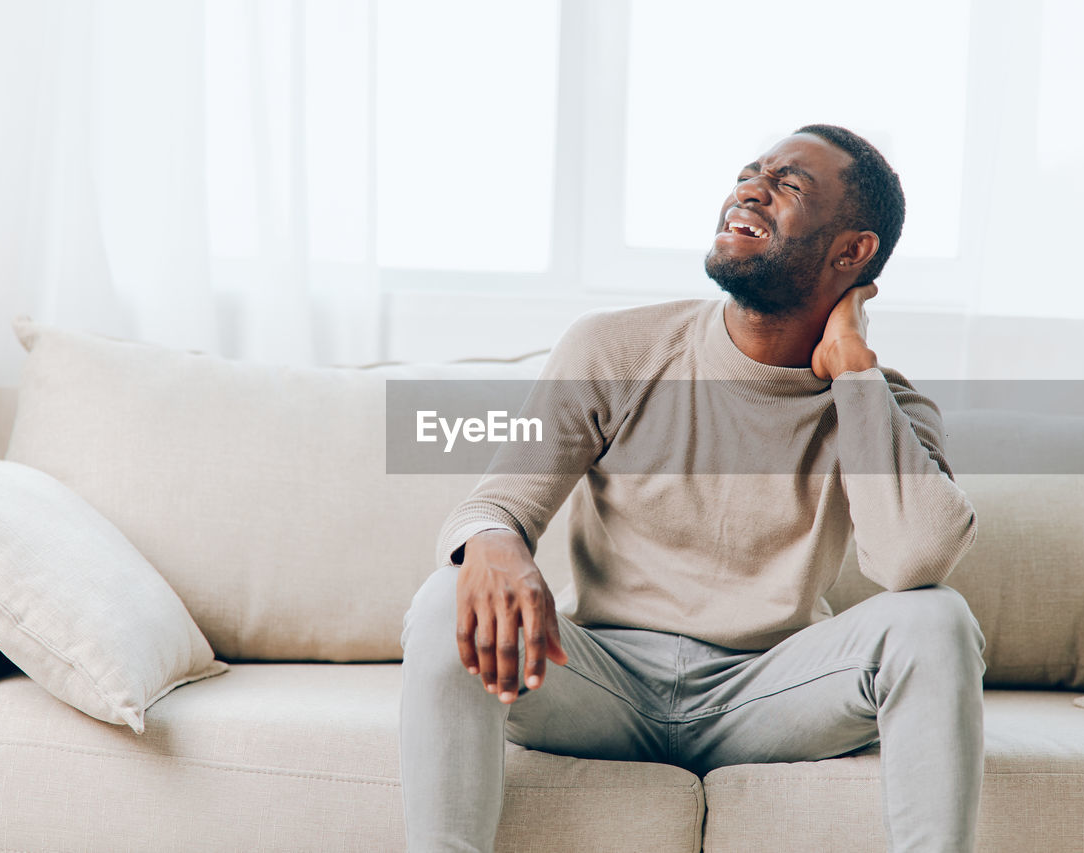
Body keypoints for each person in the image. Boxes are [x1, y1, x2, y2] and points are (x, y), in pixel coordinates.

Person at [400, 124, 985, 853]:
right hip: (603, 683)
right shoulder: (615, 348)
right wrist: (492, 541)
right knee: (442, 595)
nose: (751, 189)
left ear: (853, 251)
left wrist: (855, 374)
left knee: (938, 620)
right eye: (750, 173)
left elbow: (914, 561)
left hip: (765, 693)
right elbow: (497, 503)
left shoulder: (886, 406)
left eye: (788, 185)